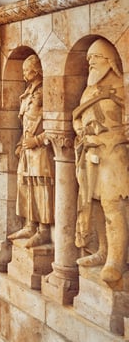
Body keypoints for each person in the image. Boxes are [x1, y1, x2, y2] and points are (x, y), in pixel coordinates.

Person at [73, 39, 129, 282]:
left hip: (113, 155)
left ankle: (116, 259)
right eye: (88, 59)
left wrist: (108, 137)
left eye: (95, 57)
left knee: (112, 204)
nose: (90, 62)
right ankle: (102, 251)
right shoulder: (89, 90)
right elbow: (77, 118)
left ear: (109, 60)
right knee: (93, 203)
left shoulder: (122, 87)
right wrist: (83, 134)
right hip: (90, 154)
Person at [8, 55, 54, 247]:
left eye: (27, 70)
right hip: (27, 149)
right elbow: (26, 122)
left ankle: (43, 230)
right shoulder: (28, 94)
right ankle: (29, 224)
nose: (24, 74)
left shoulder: (45, 91)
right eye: (24, 70)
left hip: (41, 150)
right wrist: (21, 142)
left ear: (36, 71)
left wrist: (36, 140)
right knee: (25, 184)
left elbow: (55, 125)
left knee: (41, 187)